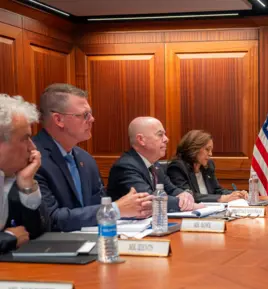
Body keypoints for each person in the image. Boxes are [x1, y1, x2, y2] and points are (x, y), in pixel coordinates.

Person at [33, 84, 152, 232]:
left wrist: (133, 209)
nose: (93, 119)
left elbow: (99, 205)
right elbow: (52, 219)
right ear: (58, 119)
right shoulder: (33, 159)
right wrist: (115, 209)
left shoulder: (86, 159)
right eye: (85, 115)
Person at [107, 117, 202, 212]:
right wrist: (184, 203)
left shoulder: (155, 165)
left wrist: (184, 194)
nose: (166, 139)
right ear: (141, 140)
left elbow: (171, 189)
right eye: (160, 134)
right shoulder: (125, 166)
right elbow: (148, 200)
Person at [0, 95, 49, 253]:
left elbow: (36, 233)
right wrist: (8, 238)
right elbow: (16, 237)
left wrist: (27, 185)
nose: (32, 147)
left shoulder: (11, 177)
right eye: (25, 138)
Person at [167, 130, 248, 203]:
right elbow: (188, 196)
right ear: (194, 149)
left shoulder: (208, 165)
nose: (210, 154)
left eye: (211, 150)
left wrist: (236, 194)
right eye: (207, 149)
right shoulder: (177, 168)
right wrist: (221, 198)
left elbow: (217, 190)